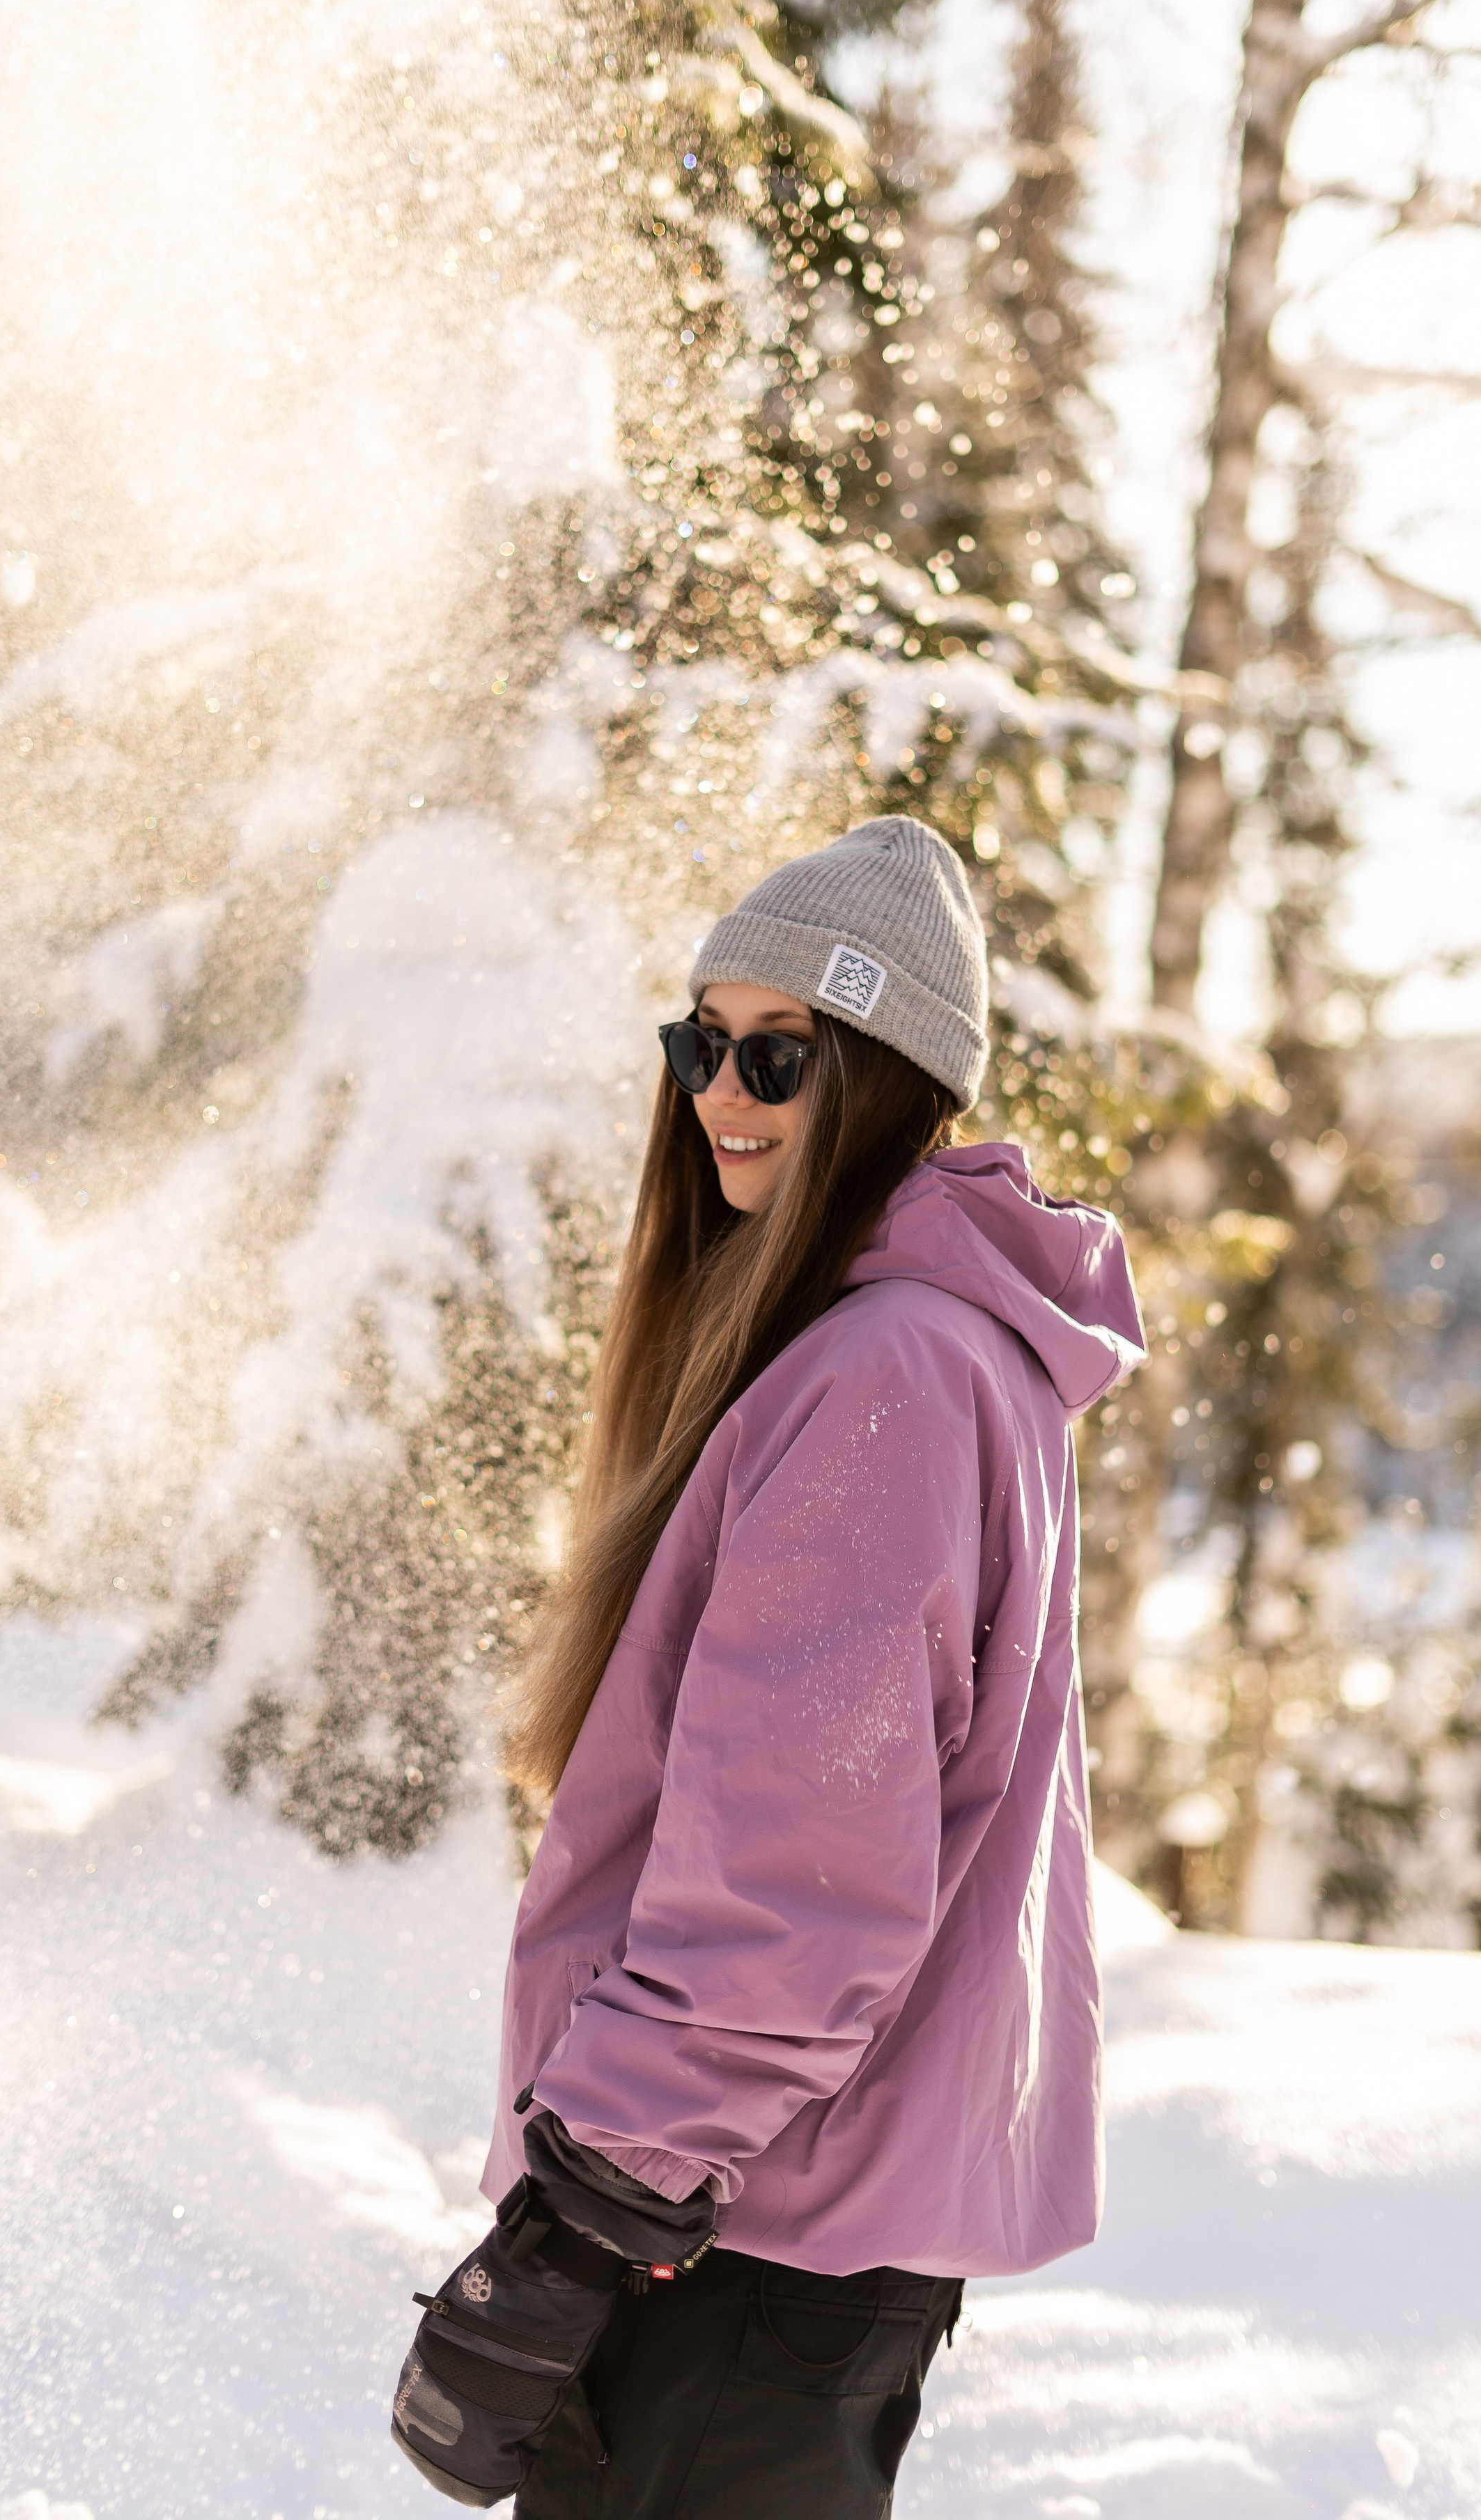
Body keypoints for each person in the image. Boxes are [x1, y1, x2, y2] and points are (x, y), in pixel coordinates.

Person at [391, 814, 1145, 2515]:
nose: (722, 1095)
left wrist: (582, 2215)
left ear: (875, 1079)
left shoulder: (883, 1375)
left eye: (779, 1058)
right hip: (772, 2228)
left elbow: (800, 1880)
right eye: (700, 1045)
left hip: (733, 2236)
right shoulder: (929, 1352)